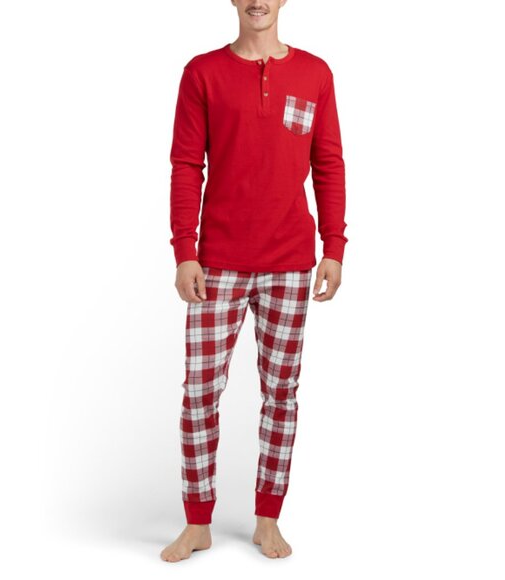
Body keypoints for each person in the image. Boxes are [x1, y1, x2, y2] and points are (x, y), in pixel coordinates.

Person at [161, 0, 348, 562]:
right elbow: (186, 164)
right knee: (200, 393)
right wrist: (185, 251)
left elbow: (329, 163)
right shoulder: (202, 73)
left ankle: (268, 519)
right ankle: (198, 522)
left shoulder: (315, 74)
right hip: (216, 263)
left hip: (290, 261)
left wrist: (333, 247)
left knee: (281, 393)